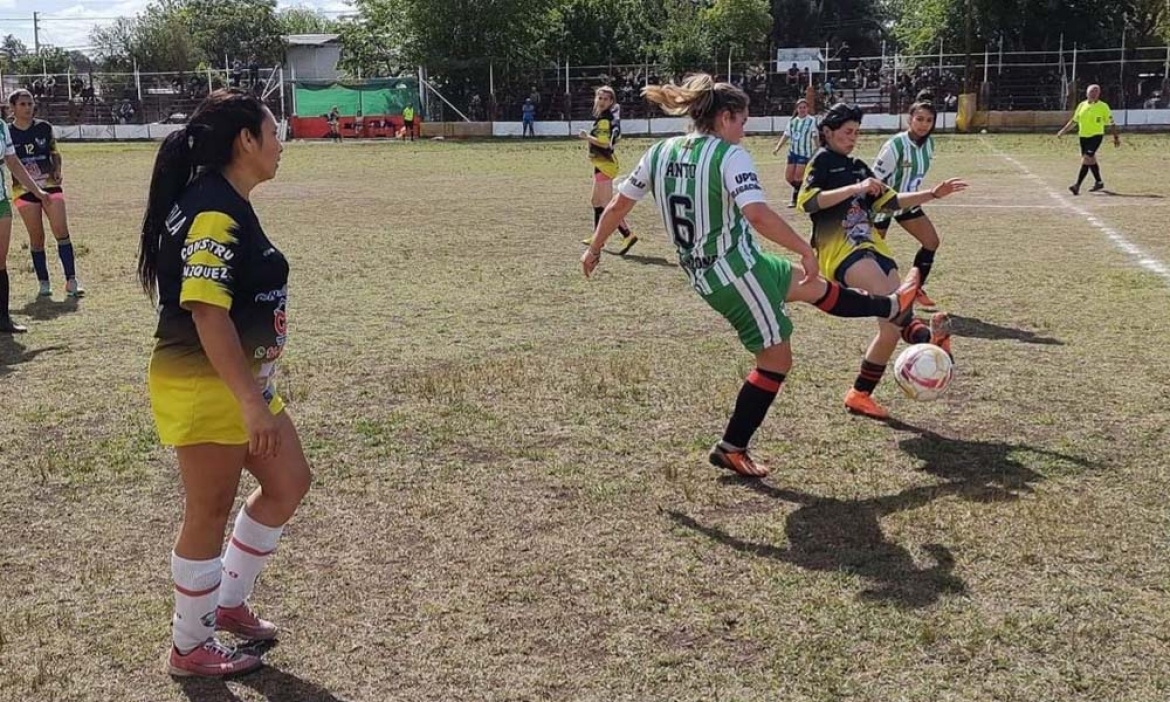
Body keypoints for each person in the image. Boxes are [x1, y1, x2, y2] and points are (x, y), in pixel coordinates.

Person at [582, 74, 923, 477]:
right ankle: (732, 446)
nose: (745, 131)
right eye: (743, 122)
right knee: (777, 359)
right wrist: (802, 247)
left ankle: (891, 305)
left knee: (810, 287)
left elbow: (620, 204)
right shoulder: (729, 155)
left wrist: (595, 246)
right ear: (725, 117)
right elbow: (757, 214)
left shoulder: (660, 151)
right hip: (734, 273)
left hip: (726, 265)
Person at [137, 89, 310, 677]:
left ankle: (228, 603)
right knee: (208, 511)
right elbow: (206, 311)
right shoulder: (212, 209)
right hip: (207, 383)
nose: (280, 144)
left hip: (243, 383)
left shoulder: (224, 200)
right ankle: (190, 645)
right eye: (273, 131)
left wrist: (256, 395)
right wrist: (249, 405)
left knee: (288, 482)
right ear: (246, 141)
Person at [797, 102, 966, 420]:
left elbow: (891, 201)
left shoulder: (860, 166)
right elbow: (808, 202)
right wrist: (855, 189)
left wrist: (932, 193)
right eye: (848, 132)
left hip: (873, 246)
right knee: (896, 303)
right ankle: (928, 339)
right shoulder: (821, 162)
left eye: (857, 133)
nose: (853, 138)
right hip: (840, 251)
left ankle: (859, 394)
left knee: (890, 328)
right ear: (828, 133)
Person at [7, 90, 85, 298]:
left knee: (61, 230)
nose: (28, 108)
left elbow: (54, 152)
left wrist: (58, 169)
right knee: (37, 237)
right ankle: (43, 282)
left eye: (30, 103)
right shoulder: (7, 132)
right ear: (12, 108)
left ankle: (71, 280)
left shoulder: (44, 127)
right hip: (23, 190)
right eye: (23, 104)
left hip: (50, 187)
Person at [872, 96, 942, 309]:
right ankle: (877, 299)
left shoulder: (929, 144)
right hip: (884, 205)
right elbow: (874, 178)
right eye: (919, 119)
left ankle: (915, 287)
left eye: (929, 120)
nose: (924, 124)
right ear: (909, 119)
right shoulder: (896, 145)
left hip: (908, 203)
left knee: (931, 242)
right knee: (874, 254)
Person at [0, 115, 50, 333]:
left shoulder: (1, 127)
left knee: (0, 260)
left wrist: (36, 191)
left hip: (0, 201)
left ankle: (3, 319)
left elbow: (12, 161)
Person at [578, 86, 636, 254]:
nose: (601, 101)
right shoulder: (604, 118)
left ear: (611, 102)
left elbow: (604, 143)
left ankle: (628, 235)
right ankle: (598, 236)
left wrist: (586, 137)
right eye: (599, 98)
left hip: (606, 165)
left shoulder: (604, 120)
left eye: (605, 99)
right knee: (596, 202)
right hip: (601, 164)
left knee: (607, 205)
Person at [1057, 84, 1120, 194]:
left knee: (1086, 159)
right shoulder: (1082, 105)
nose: (1094, 94)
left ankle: (1077, 185)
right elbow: (1074, 121)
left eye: (1096, 92)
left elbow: (1112, 123)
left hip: (1096, 136)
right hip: (1083, 137)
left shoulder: (1103, 107)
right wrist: (1063, 131)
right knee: (1091, 160)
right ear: (1087, 93)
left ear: (1099, 94)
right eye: (1091, 92)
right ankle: (1099, 182)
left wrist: (1116, 137)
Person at [771, 98, 817, 208]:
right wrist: (777, 148)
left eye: (804, 107)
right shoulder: (793, 121)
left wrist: (818, 149)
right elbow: (786, 135)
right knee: (789, 178)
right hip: (793, 153)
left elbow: (815, 136)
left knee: (797, 177)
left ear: (808, 109)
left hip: (804, 153)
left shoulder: (811, 120)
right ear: (797, 109)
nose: (802, 110)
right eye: (800, 108)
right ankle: (806, 189)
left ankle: (795, 200)